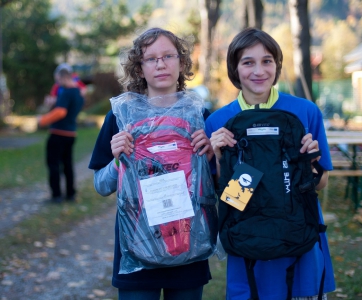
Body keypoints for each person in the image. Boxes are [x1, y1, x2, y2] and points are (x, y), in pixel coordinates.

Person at [205, 28, 335, 299]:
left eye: (267, 61)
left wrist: (310, 166)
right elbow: (229, 199)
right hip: (248, 246)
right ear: (235, 68)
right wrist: (220, 158)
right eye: (247, 62)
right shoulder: (218, 122)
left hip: (299, 242)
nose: (259, 71)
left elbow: (321, 183)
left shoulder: (305, 112)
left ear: (277, 65)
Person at [88, 28, 214, 300]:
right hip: (137, 248)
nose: (160, 64)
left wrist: (214, 155)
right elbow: (101, 185)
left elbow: (217, 184)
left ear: (181, 63)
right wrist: (117, 161)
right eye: (150, 58)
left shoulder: (201, 116)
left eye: (168, 56)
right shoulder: (120, 116)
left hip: (188, 245)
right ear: (139, 67)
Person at [38, 68, 85, 203]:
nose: (57, 84)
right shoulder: (78, 93)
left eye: (58, 80)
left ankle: (56, 195)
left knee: (53, 164)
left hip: (58, 133)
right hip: (71, 133)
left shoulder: (66, 92)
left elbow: (61, 112)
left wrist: (42, 120)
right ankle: (71, 194)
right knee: (67, 165)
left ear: (63, 77)